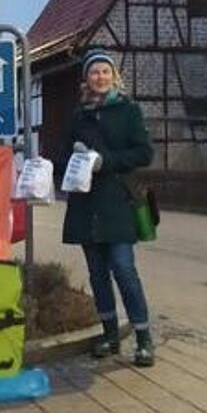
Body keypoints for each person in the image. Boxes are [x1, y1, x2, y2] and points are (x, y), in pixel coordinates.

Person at [61, 49, 155, 367]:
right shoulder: (78, 116)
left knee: (124, 270)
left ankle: (143, 338)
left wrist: (106, 162)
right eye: (94, 72)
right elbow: (61, 158)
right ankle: (110, 335)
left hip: (118, 202)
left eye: (105, 72)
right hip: (86, 205)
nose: (99, 77)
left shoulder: (128, 111)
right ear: (86, 79)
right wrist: (72, 158)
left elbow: (143, 153)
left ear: (113, 77)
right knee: (98, 275)